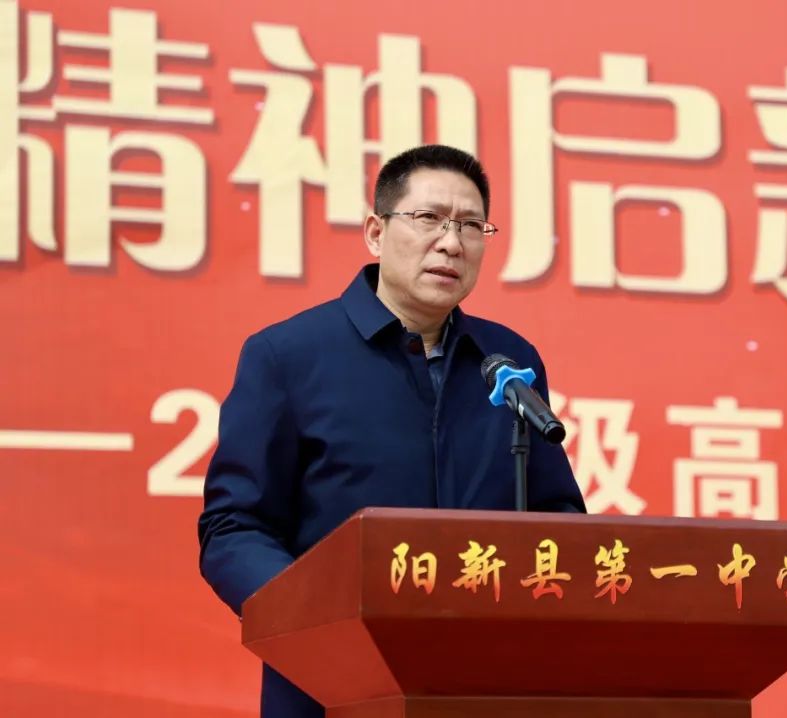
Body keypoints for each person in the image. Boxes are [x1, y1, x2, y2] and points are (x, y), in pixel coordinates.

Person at [197, 144, 586, 718]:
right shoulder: (288, 356)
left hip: (486, 685)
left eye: (471, 225)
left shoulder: (507, 360)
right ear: (376, 233)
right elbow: (235, 527)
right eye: (429, 218)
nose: (452, 243)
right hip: (332, 686)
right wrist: (313, 619)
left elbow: (557, 516)